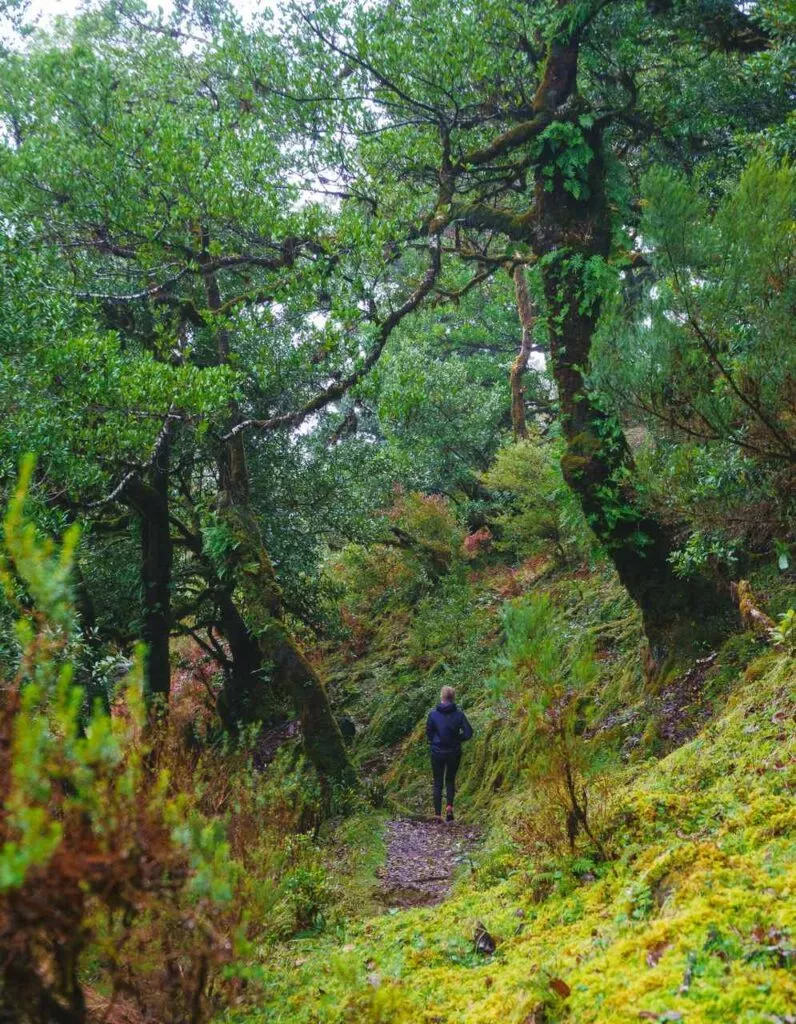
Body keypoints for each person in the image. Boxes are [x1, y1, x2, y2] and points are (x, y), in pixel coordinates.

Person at [426, 685, 473, 822]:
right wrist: (458, 739)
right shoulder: (459, 715)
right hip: (454, 752)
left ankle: (437, 815)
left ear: (442, 696)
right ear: (453, 698)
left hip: (437, 752)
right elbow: (469, 732)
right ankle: (449, 808)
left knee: (437, 782)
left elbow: (429, 733)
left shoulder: (433, 714)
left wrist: (435, 741)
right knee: (450, 780)